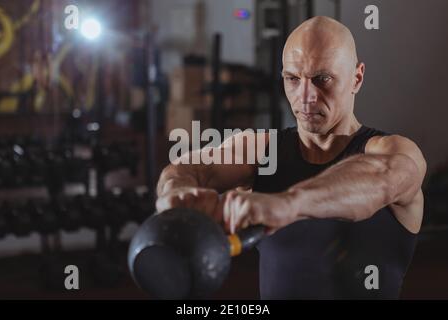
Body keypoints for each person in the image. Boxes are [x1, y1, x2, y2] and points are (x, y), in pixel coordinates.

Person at [156, 16, 426, 299]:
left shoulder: (394, 152)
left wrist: (287, 204)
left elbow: (378, 180)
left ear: (356, 78)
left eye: (322, 79)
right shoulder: (263, 151)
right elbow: (189, 168)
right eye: (293, 79)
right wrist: (177, 192)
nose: (305, 96)